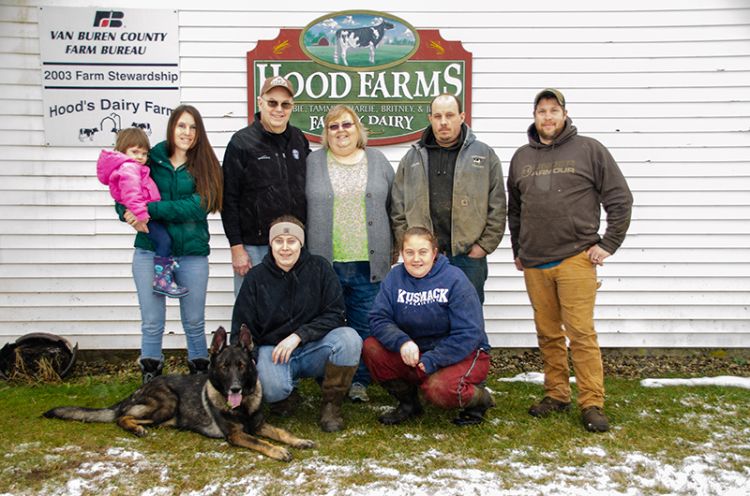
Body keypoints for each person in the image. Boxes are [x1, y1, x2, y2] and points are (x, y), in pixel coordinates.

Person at [507, 88, 633, 433]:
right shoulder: (521, 158)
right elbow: (515, 210)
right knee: (548, 333)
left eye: (553, 110)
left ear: (564, 114)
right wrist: (519, 249)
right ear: (534, 116)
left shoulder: (589, 150)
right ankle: (557, 393)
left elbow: (620, 199)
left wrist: (609, 244)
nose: (547, 117)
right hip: (535, 263)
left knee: (580, 334)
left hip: (576, 257)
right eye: (541, 111)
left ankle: (592, 402)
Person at [119, 105, 223, 383]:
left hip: (192, 254)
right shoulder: (151, 158)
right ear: (171, 127)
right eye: (181, 126)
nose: (186, 132)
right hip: (149, 251)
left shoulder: (206, 163)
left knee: (193, 321)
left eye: (192, 127)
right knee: (152, 321)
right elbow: (123, 190)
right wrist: (126, 213)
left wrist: (150, 209)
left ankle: (199, 376)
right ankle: (151, 377)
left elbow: (198, 206)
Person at [231, 215, 362, 433]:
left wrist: (299, 335)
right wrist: (251, 363)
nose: (285, 248)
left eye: (291, 241)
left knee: (349, 339)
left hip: (313, 348)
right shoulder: (256, 278)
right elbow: (241, 329)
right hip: (274, 352)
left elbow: (336, 314)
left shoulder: (319, 268)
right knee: (272, 389)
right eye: (278, 241)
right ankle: (285, 397)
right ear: (270, 244)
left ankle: (331, 405)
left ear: (301, 243)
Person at [306, 104, 395, 403]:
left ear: (358, 129)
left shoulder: (378, 160)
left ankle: (359, 381)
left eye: (346, 125)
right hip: (325, 262)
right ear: (326, 133)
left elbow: (393, 206)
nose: (341, 131)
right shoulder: (313, 163)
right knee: (327, 324)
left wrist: (395, 246)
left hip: (367, 261)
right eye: (333, 126)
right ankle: (329, 380)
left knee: (365, 326)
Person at [363, 227, 494, 426]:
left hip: (462, 352)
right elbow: (379, 318)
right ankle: (409, 404)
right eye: (409, 252)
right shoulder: (394, 278)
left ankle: (480, 400)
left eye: (422, 252)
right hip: (417, 351)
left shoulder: (455, 279)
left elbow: (469, 333)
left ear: (434, 253)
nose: (416, 259)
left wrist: (434, 358)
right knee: (371, 347)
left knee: (439, 389)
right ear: (401, 254)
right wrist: (402, 341)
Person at [390, 93, 506, 304]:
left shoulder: (484, 155)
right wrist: (408, 243)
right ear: (430, 119)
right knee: (425, 317)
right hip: (425, 258)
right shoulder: (413, 157)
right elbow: (398, 206)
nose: (443, 122)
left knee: (468, 317)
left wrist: (483, 247)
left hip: (467, 257)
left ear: (462, 117)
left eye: (450, 115)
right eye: (438, 116)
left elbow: (497, 205)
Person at [221, 75, 310, 296]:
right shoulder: (241, 142)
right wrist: (237, 248)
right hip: (254, 248)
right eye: (272, 102)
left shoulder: (299, 139)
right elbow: (228, 199)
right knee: (251, 314)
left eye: (285, 104)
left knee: (292, 309)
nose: (279, 109)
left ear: (292, 107)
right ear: (260, 103)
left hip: (293, 244)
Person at [98, 128, 188, 298]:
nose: (140, 157)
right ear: (122, 151)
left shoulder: (133, 167)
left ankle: (165, 270)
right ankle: (162, 280)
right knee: (163, 240)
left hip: (144, 212)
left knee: (164, 240)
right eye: (135, 152)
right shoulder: (129, 169)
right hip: (144, 216)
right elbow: (131, 195)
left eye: (144, 153)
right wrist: (141, 215)